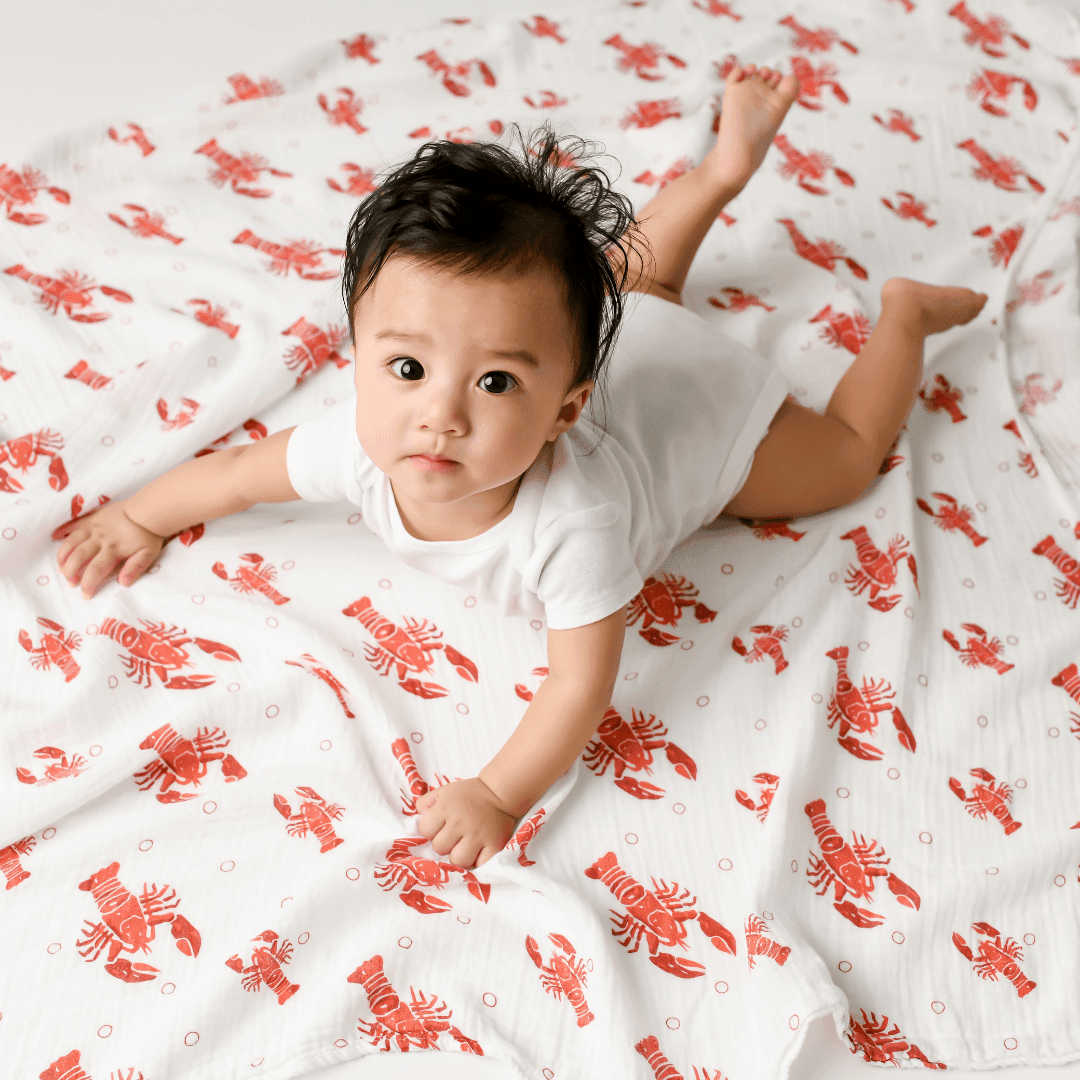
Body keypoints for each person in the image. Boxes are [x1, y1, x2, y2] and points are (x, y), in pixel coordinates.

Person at [56, 63, 987, 869]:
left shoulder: (574, 526)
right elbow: (233, 478)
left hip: (703, 414)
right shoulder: (364, 439)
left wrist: (498, 794)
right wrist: (141, 515)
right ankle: (721, 170)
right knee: (631, 287)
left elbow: (577, 685)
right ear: (359, 356)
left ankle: (903, 314)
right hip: (634, 343)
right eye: (408, 367)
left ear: (565, 412)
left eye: (496, 382)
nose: (441, 415)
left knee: (847, 464)